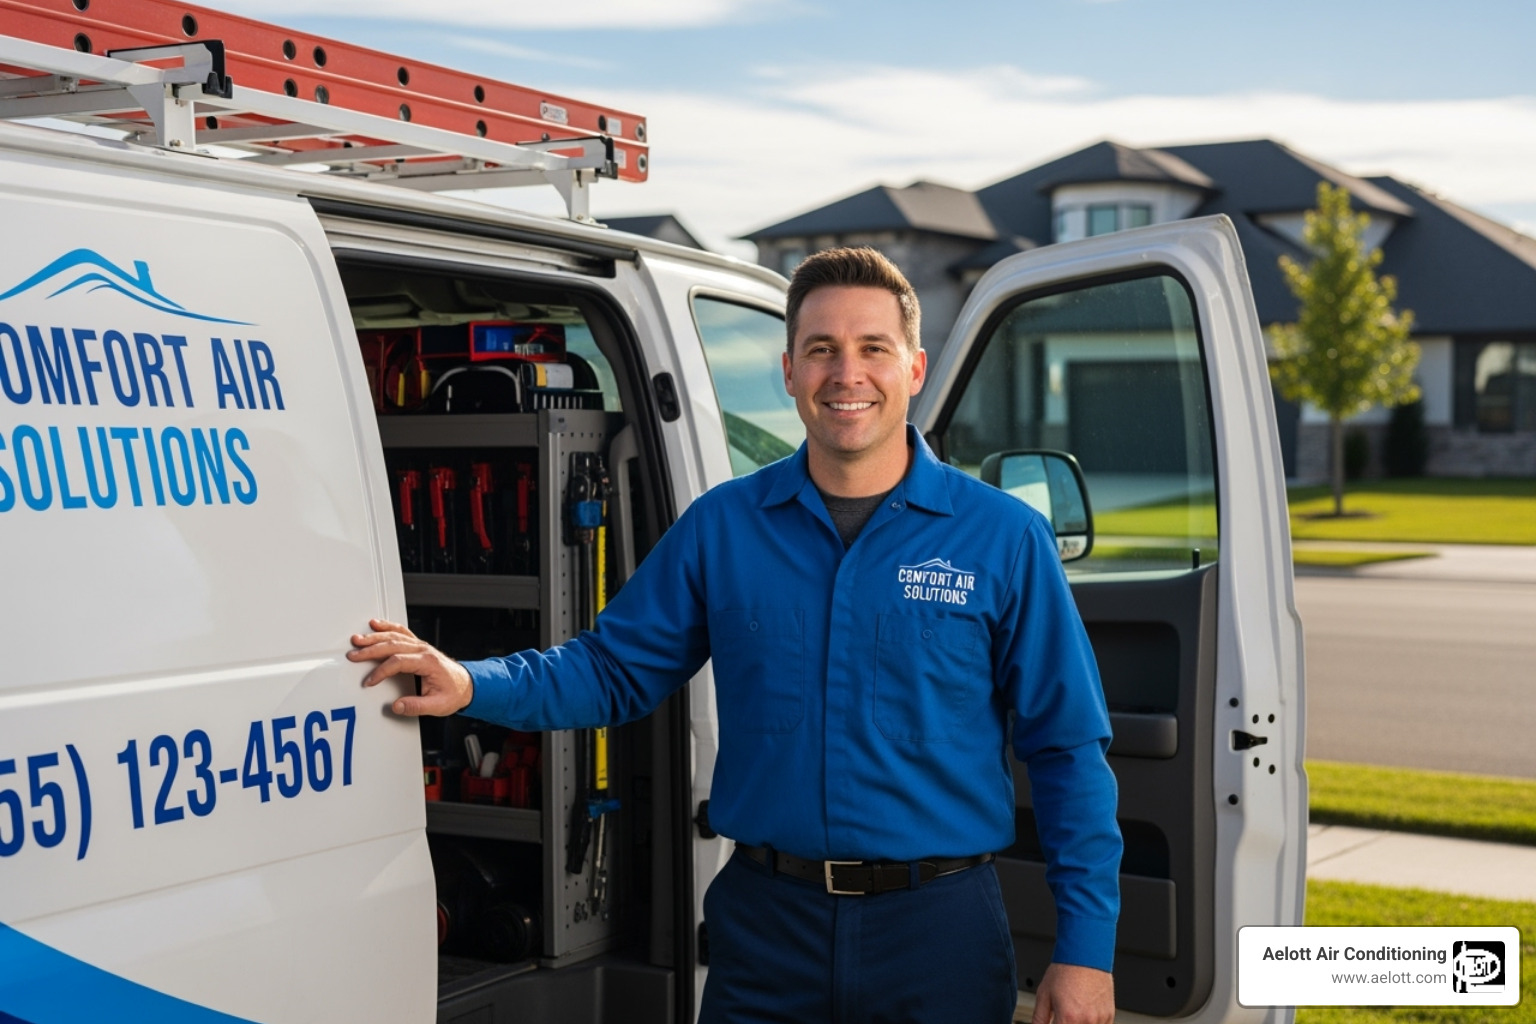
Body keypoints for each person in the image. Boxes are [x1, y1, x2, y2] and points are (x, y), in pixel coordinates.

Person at [350, 247, 1121, 1024]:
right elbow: (613, 668)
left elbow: (1067, 751)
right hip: (767, 932)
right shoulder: (724, 528)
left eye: (872, 349)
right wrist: (475, 681)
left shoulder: (1004, 539)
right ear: (790, 371)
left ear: (914, 369)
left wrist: (1086, 951)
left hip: (938, 934)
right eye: (821, 350)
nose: (845, 374)